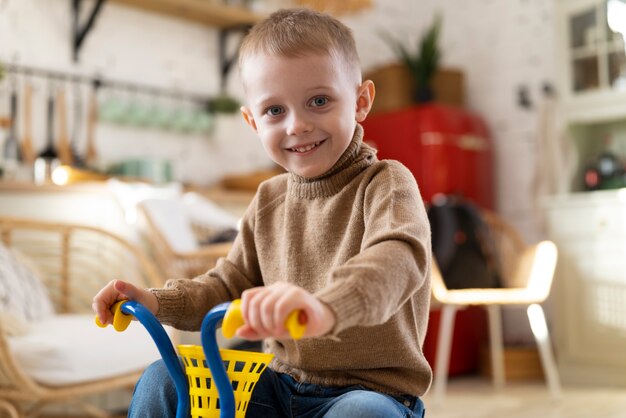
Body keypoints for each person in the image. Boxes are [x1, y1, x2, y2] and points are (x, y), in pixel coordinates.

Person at [93, 7, 432, 418]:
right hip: (278, 385)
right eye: (275, 111)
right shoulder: (268, 199)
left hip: (373, 393)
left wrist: (325, 309)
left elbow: (396, 262)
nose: (297, 125)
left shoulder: (387, 183)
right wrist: (156, 301)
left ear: (361, 102)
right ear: (252, 121)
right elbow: (226, 285)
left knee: (363, 414)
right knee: (162, 378)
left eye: (319, 101)